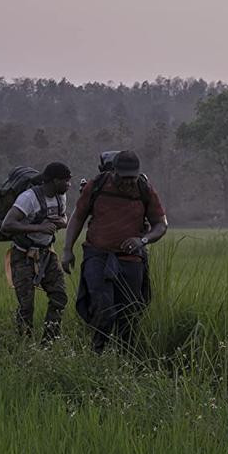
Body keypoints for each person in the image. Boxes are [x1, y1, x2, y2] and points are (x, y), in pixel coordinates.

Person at [61, 150, 168, 353]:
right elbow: (77, 218)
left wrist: (142, 240)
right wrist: (67, 250)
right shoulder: (97, 186)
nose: (127, 182)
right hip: (97, 255)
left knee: (130, 313)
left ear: (138, 174)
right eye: (122, 177)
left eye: (132, 178)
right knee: (103, 308)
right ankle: (97, 353)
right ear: (113, 172)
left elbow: (160, 225)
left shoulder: (144, 190)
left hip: (131, 260)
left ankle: (125, 356)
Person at [1, 161, 72, 344]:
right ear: (55, 181)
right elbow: (7, 224)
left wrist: (61, 222)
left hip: (47, 254)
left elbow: (64, 217)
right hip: (23, 255)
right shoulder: (28, 198)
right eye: (66, 181)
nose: (69, 185)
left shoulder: (60, 197)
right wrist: (38, 227)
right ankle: (24, 345)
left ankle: (48, 343)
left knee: (60, 297)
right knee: (26, 306)